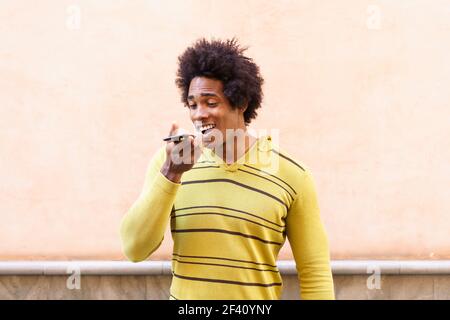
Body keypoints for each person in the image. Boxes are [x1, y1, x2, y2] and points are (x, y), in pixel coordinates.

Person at [120, 38, 335, 300]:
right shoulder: (168, 163)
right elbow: (134, 249)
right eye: (192, 104)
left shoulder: (293, 175)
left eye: (210, 103)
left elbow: (315, 272)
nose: (199, 114)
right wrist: (172, 173)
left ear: (241, 103)